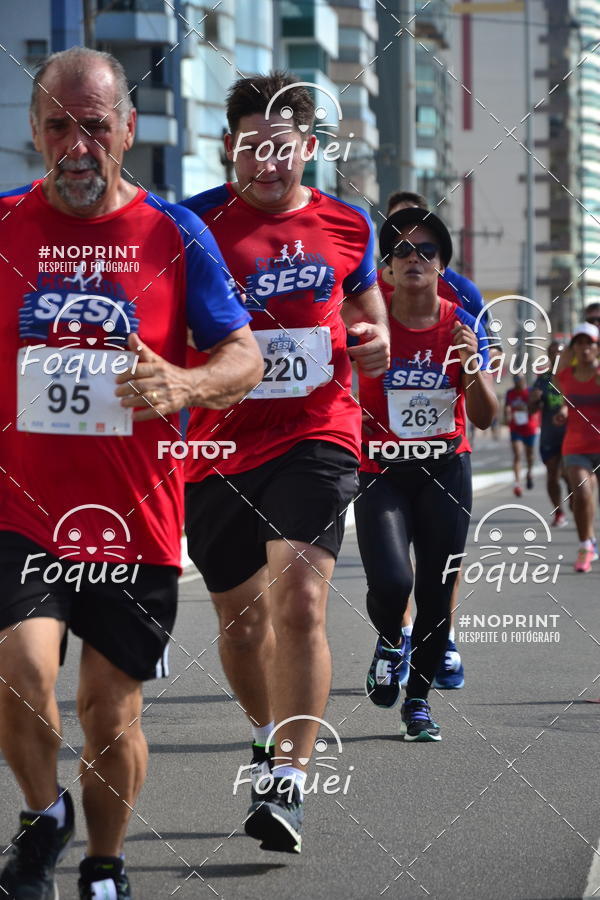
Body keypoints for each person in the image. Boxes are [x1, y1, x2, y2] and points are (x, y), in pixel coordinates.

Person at [0, 47, 261, 900]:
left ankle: (105, 865)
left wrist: (185, 383)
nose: (77, 146)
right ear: (34, 132)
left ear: (129, 131)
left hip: (134, 519)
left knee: (109, 715)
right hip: (22, 512)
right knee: (20, 670)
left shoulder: (173, 234)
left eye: (95, 126)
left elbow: (244, 355)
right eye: (57, 126)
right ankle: (43, 816)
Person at [181, 72, 389, 852]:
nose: (267, 162)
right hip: (214, 448)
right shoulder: (191, 222)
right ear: (230, 146)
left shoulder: (348, 225)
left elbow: (369, 317)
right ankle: (268, 732)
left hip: (318, 432)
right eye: (250, 147)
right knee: (241, 628)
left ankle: (290, 779)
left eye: (283, 147)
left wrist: (378, 345)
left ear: (309, 146)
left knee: (300, 599)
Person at [355, 207, 497, 740]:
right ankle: (392, 636)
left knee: (437, 594)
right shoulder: (367, 321)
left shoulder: (459, 325)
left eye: (426, 251)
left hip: (444, 468)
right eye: (402, 251)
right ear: (387, 267)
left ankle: (418, 705)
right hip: (382, 470)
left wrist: (473, 367)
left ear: (442, 265)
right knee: (393, 582)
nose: (414, 258)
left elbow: (485, 415)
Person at [377, 191, 487, 322]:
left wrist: (471, 342)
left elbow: (489, 340)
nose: (413, 257)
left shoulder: (464, 291)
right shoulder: (365, 290)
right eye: (403, 246)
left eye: (426, 250)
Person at [555, 323, 600, 573]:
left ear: (597, 348)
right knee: (581, 494)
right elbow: (565, 403)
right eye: (579, 343)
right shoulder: (565, 376)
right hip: (576, 445)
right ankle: (586, 545)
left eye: (589, 343)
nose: (584, 348)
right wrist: (563, 411)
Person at [528, 339, 568, 526]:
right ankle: (559, 511)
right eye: (553, 352)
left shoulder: (574, 377)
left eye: (560, 352)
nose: (557, 356)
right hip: (550, 434)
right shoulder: (543, 380)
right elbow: (532, 410)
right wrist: (533, 401)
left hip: (572, 435)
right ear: (549, 355)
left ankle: (576, 500)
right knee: (553, 475)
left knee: (570, 475)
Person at [504, 374, 540, 496]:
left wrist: (527, 407)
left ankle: (529, 473)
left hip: (529, 427)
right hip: (515, 428)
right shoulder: (510, 392)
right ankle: (517, 484)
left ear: (523, 380)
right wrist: (508, 414)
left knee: (529, 455)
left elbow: (536, 406)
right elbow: (508, 406)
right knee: (517, 454)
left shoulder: (530, 391)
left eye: (518, 379)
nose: (516, 382)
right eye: (514, 379)